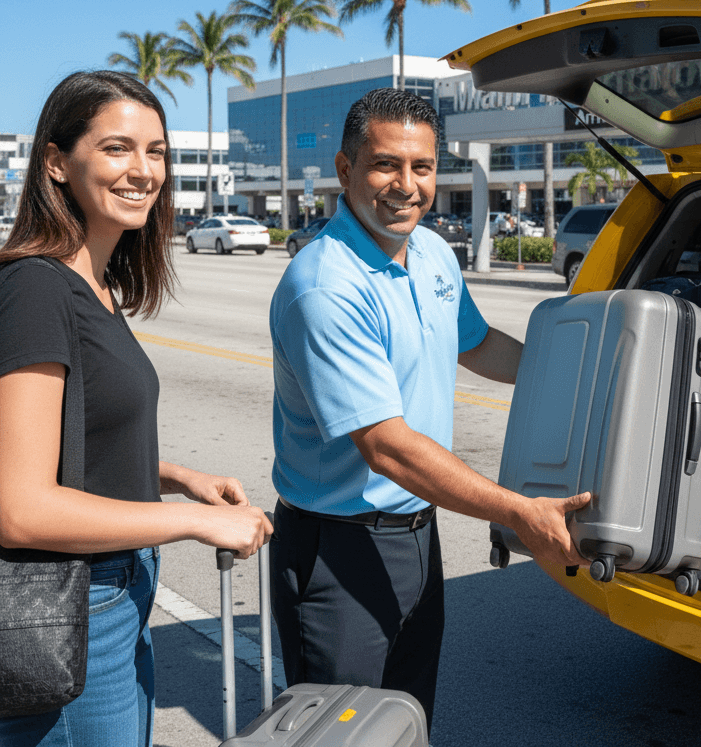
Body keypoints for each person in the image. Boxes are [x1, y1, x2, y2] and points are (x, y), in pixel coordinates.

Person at [269, 88, 589, 734]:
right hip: (339, 548)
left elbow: (477, 345)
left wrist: (588, 378)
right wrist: (519, 512)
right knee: (340, 732)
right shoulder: (325, 286)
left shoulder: (433, 254)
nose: (405, 186)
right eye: (386, 164)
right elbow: (385, 447)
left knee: (406, 721)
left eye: (421, 167)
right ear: (345, 170)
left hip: (415, 532)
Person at [0, 71, 273, 747]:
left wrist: (178, 476)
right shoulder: (37, 289)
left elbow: (75, 445)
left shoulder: (96, 286)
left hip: (115, 592)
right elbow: (20, 507)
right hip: (71, 600)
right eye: (118, 148)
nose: (144, 170)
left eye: (156, 152)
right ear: (57, 163)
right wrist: (188, 525)